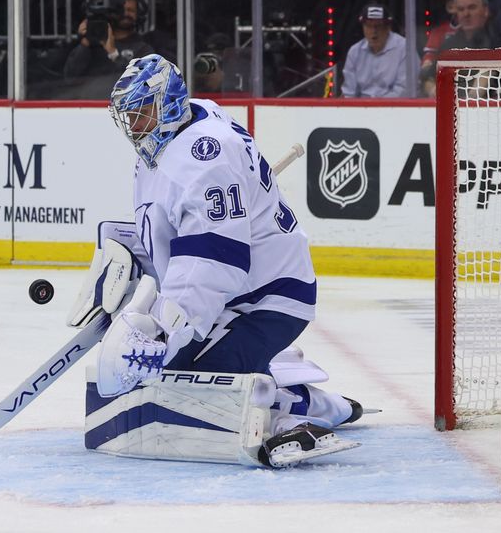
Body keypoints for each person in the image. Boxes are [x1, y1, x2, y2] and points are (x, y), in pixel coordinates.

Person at [69, 54, 364, 468]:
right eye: (130, 118)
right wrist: (127, 249)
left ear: (170, 101)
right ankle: (278, 379)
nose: (135, 127)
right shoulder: (177, 130)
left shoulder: (204, 156)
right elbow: (175, 227)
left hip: (266, 298)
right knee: (174, 371)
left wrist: (167, 339)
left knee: (191, 383)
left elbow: (215, 260)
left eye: (143, 114)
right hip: (231, 295)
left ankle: (299, 404)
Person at [62, 0, 154, 98]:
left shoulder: (143, 49)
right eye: (121, 10)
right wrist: (86, 42)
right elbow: (70, 78)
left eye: (130, 10)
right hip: (86, 107)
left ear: (138, 14)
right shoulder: (91, 44)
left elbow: (141, 85)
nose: (125, 13)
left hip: (121, 109)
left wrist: (113, 53)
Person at [420, 0, 501, 97]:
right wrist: (433, 90)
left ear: (485, 10)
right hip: (452, 107)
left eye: (472, 8)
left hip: (489, 108)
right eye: (461, 9)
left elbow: (485, 86)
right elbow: (428, 78)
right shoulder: (449, 44)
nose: (466, 14)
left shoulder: (499, 43)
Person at [341, 4, 418, 98]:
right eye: (369, 26)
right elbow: (349, 92)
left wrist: (376, 107)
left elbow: (405, 91)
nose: (374, 31)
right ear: (363, 27)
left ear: (388, 28)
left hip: (394, 108)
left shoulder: (405, 49)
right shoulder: (354, 52)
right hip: (361, 109)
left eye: (378, 26)